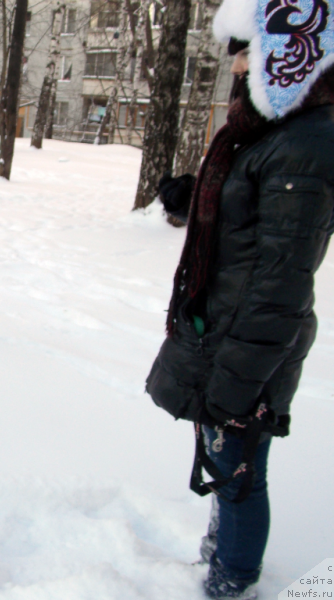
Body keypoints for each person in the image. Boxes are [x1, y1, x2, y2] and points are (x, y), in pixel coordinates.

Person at [145, 0, 334, 598]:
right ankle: (216, 558)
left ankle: (231, 583)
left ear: (293, 58)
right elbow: (249, 222)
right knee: (227, 465)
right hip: (222, 330)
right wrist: (199, 192)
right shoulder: (269, 134)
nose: (235, 67)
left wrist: (236, 381)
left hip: (247, 343)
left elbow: (280, 286)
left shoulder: (306, 145)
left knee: (241, 473)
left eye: (246, 52)